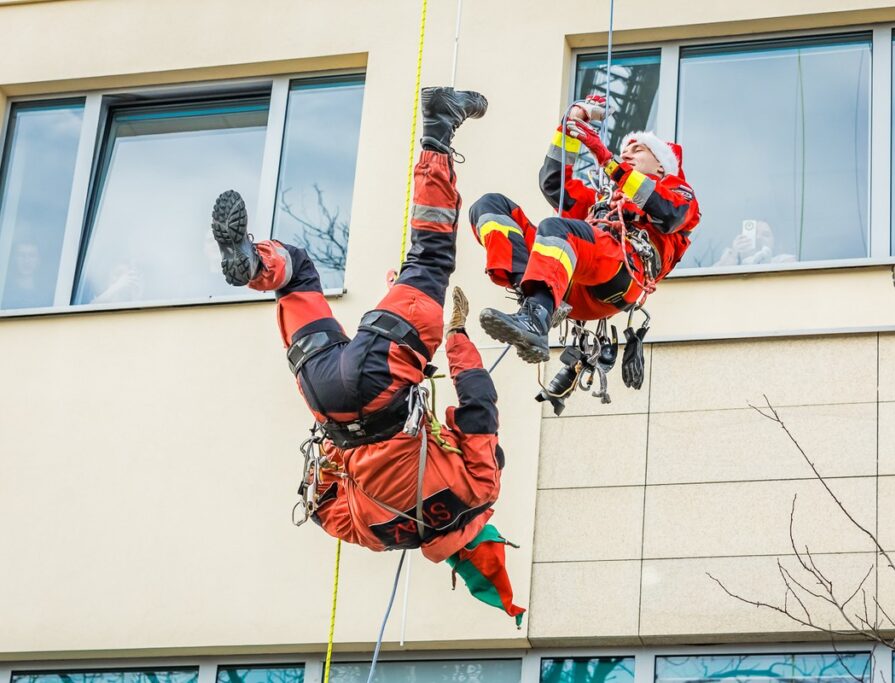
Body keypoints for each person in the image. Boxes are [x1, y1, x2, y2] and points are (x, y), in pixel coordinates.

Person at [209, 87, 524, 624]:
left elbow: (478, 405)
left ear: (486, 536)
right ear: (455, 563)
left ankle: (438, 129)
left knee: (429, 258)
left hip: (383, 378)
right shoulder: (380, 537)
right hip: (326, 397)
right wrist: (338, 456)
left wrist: (456, 334)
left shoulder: (481, 489)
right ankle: (259, 267)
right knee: (300, 278)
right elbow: (319, 504)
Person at [468, 94, 701, 383]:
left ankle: (537, 316)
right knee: (491, 207)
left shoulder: (678, 191)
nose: (626, 152)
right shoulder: (601, 201)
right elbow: (554, 184)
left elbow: (669, 213)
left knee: (558, 228)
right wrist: (571, 124)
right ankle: (532, 298)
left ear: (661, 167)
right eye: (624, 149)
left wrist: (608, 160)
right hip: (569, 279)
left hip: (620, 272)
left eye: (637, 149)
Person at [714, 220, 796, 267]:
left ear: (774, 243)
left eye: (765, 235)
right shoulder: (731, 259)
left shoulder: (784, 260)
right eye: (755, 233)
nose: (758, 237)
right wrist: (734, 254)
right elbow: (714, 281)